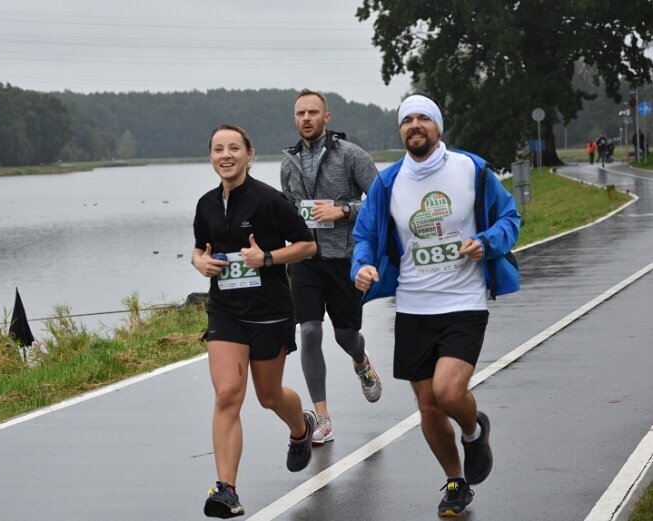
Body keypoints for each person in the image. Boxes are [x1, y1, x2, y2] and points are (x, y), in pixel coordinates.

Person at [350, 94, 520, 517]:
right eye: (406, 119)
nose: (414, 125)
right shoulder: (388, 183)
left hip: (463, 302)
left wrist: (485, 242)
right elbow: (366, 236)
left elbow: (510, 218)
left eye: (423, 117)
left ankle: (473, 428)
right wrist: (363, 266)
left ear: (438, 127)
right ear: (400, 131)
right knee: (427, 405)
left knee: (447, 391)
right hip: (412, 307)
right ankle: (455, 481)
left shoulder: (472, 170)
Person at [193, 123, 318, 519]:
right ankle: (226, 489)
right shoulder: (206, 205)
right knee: (228, 393)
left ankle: (301, 429)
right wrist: (200, 263)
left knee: (269, 397)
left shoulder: (269, 201)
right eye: (218, 149)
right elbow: (198, 250)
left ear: (249, 154)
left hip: (269, 312)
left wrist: (265, 258)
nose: (225, 155)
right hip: (225, 311)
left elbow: (307, 246)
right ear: (211, 157)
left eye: (233, 148)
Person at [280, 89, 382, 446]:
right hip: (305, 259)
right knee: (309, 331)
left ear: (327, 117)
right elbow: (290, 209)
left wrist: (344, 211)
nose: (305, 118)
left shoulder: (351, 155)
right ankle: (322, 417)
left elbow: (380, 199)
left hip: (345, 258)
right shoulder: (288, 162)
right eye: (300, 114)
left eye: (312, 112)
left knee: (344, 335)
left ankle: (361, 359)